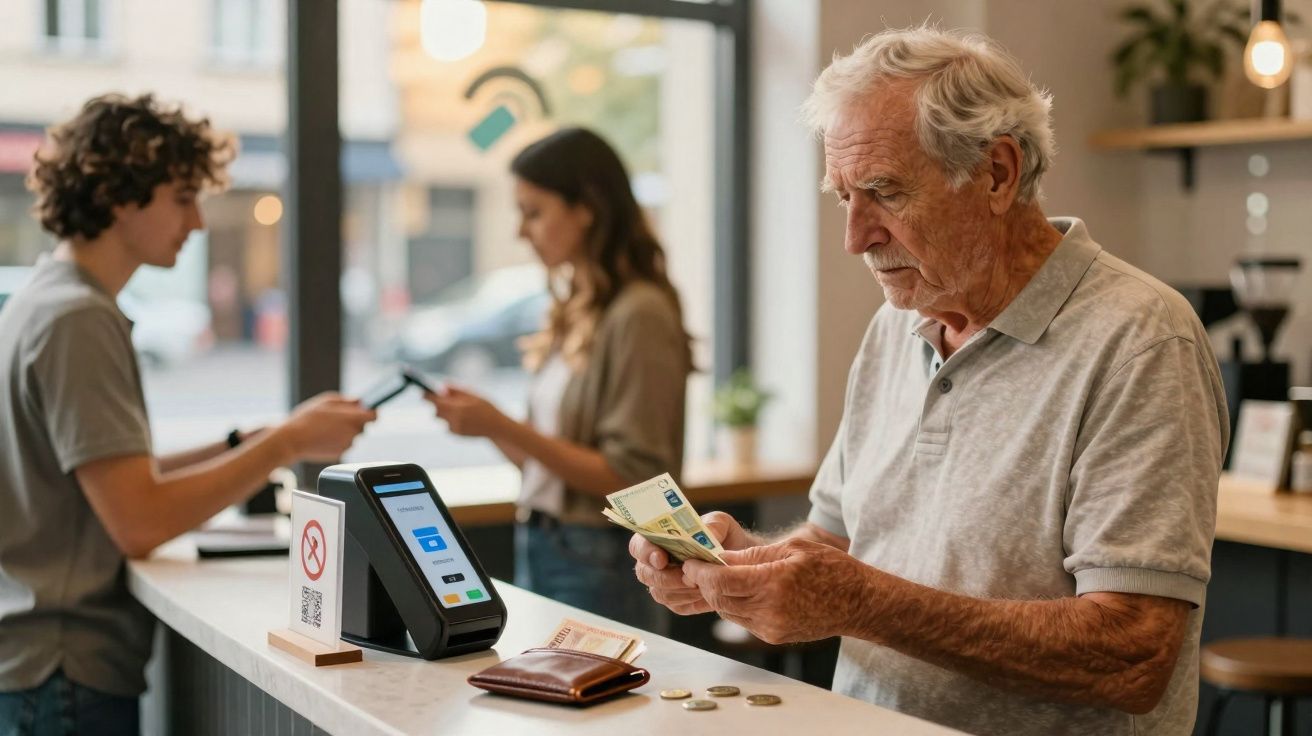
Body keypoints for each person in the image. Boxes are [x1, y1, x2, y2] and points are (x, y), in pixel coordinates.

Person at [632, 26, 1228, 736]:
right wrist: (745, 564)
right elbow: (841, 544)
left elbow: (1132, 656)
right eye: (844, 197)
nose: (855, 237)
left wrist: (863, 603)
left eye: (884, 192)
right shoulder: (897, 324)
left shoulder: (1141, 340)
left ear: (997, 174)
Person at [0, 94, 376, 735]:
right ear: (120, 196)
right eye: (181, 198)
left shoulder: (45, 298)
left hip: (42, 666)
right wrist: (284, 444)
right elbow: (139, 520)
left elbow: (107, 477)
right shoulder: (79, 319)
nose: (198, 222)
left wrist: (241, 442)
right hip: (62, 670)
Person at [423, 128, 692, 629]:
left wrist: (502, 424)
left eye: (534, 212)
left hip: (602, 559)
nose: (521, 232)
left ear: (585, 208)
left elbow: (634, 478)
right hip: (547, 542)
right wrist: (488, 427)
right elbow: (546, 468)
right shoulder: (578, 309)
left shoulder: (639, 314)